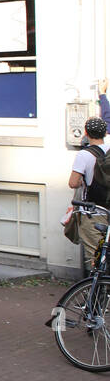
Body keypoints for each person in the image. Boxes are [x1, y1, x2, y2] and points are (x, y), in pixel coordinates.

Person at [70, 114, 109, 270]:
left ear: (86, 133)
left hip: (94, 212)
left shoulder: (84, 154)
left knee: (96, 257)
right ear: (105, 133)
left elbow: (73, 183)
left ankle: (97, 291)